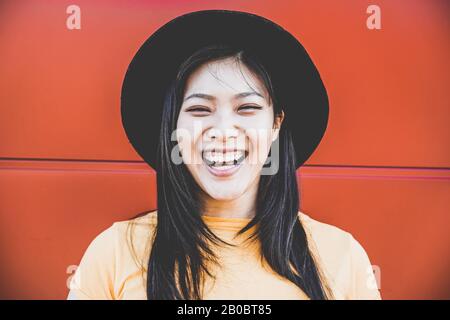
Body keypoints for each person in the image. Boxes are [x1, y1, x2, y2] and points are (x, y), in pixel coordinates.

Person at [67, 10, 381, 300]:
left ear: (275, 125)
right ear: (174, 128)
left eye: (247, 108)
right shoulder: (114, 254)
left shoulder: (342, 257)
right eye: (200, 109)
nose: (223, 131)